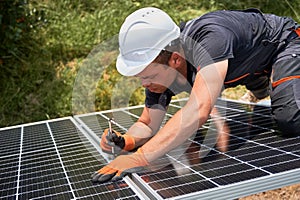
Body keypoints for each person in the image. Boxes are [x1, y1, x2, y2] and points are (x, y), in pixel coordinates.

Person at [91, 7, 300, 183]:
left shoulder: (211, 39)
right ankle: (263, 85)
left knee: (290, 120)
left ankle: (275, 79)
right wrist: (126, 141)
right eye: (140, 78)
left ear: (175, 60)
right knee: (244, 80)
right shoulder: (160, 69)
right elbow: (147, 123)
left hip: (283, 43)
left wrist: (139, 158)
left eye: (150, 76)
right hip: (244, 63)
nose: (145, 84)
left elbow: (198, 110)